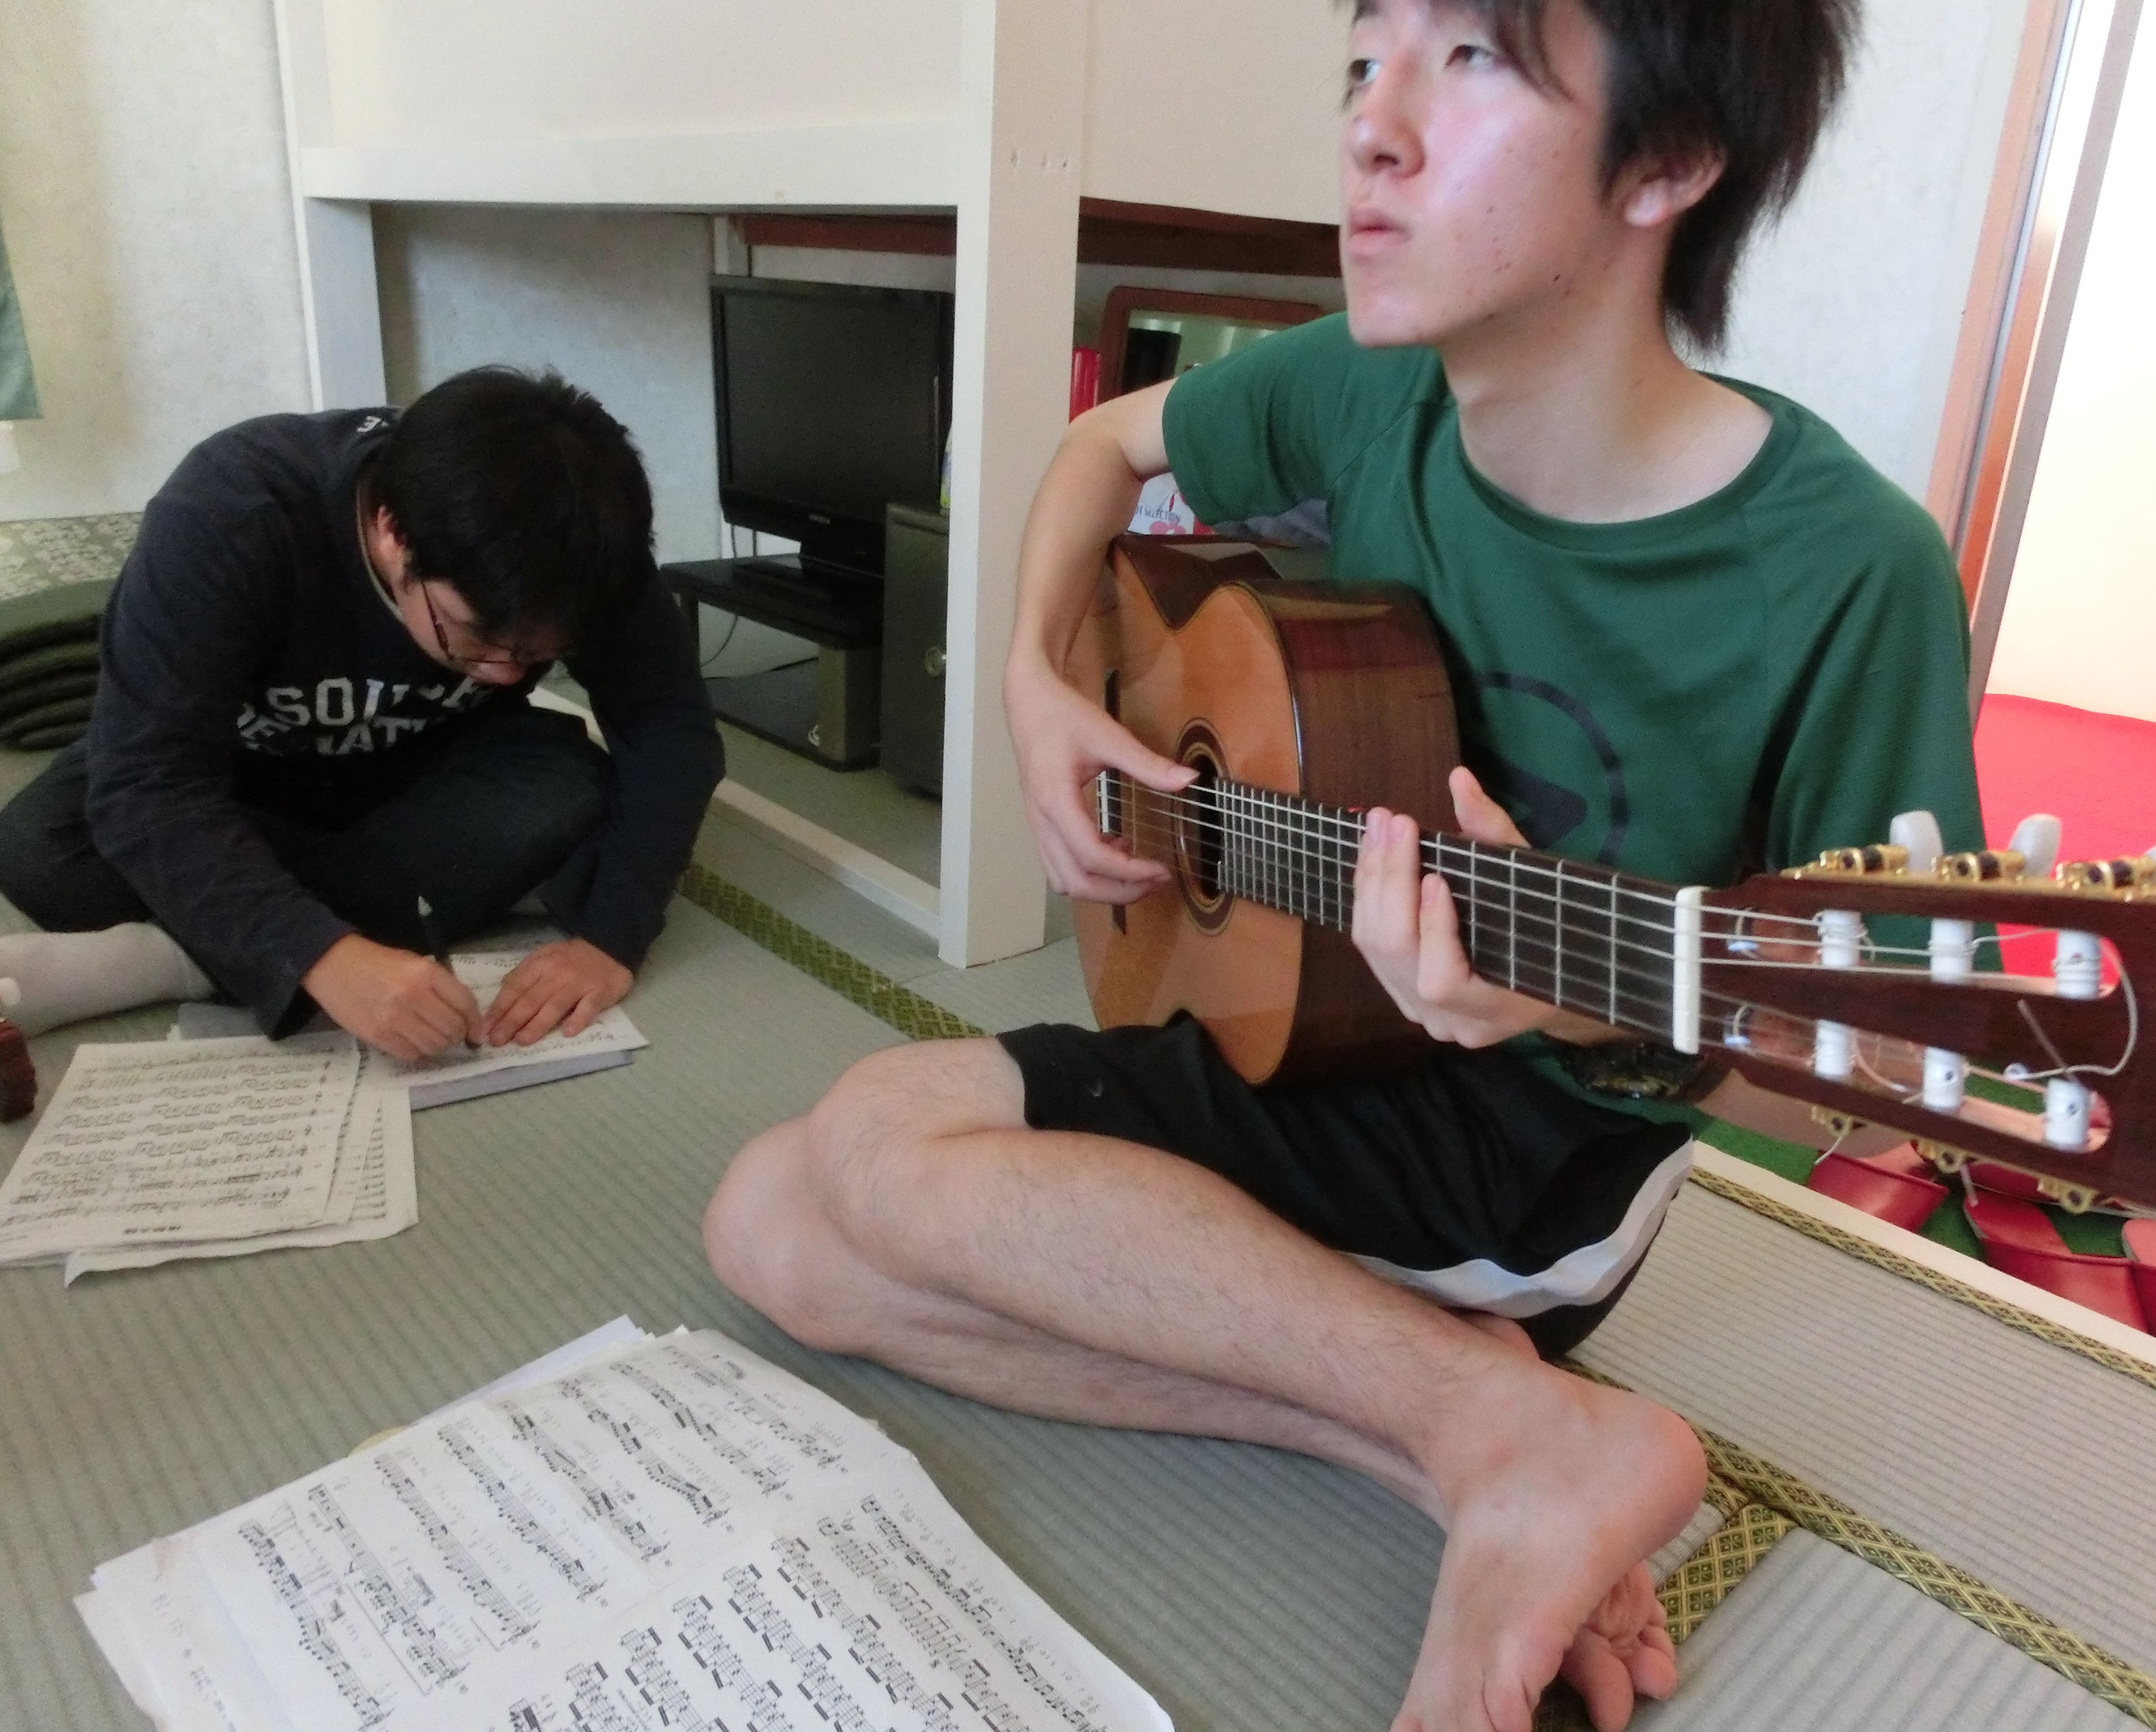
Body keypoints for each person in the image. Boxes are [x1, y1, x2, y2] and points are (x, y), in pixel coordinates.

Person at [705, 2, 1985, 1727]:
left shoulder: (1845, 572)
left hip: (1533, 1171)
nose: (1371, 127)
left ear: (1669, 162)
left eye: (1472, 61)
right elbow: (1102, 447)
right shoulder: (1374, 383)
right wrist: (1027, 674)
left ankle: (1491, 1405)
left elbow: (1892, 1087)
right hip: (1313, 1025)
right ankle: (1476, 1433)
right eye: (1365, 60)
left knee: (868, 1142)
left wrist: (1570, 1011)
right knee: (767, 1226)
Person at [0, 366, 725, 1060]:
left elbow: (672, 729)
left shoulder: (589, 548)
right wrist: (322, 955)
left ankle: (171, 960)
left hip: (427, 772)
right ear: (391, 532)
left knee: (569, 789)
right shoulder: (230, 515)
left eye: (538, 654)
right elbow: (147, 781)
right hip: (243, 775)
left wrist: (611, 941)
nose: (508, 671)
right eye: (473, 637)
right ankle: (430, 896)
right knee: (41, 850)